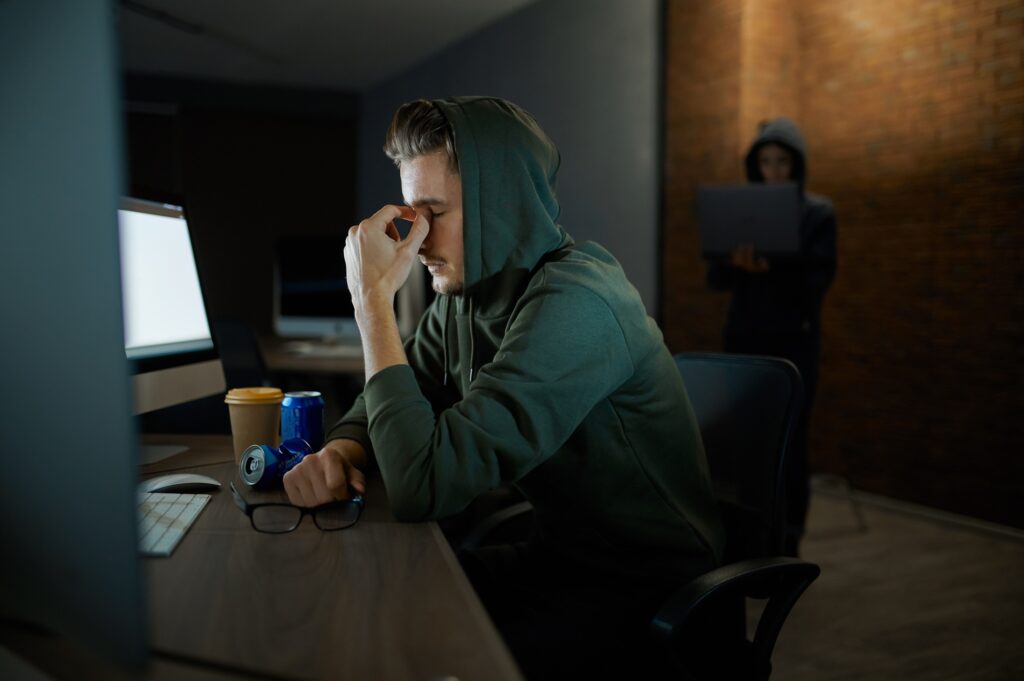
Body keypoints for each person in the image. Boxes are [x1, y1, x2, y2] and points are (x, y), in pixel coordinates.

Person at [282, 96, 724, 678]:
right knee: (380, 594)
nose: (417, 240)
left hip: (648, 590)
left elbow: (423, 485)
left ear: (504, 206)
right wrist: (344, 448)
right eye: (412, 215)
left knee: (422, 655)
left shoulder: (579, 303)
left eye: (435, 213)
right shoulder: (466, 297)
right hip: (559, 557)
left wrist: (372, 303)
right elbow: (399, 390)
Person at [707, 117, 837, 556]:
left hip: (793, 342)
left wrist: (773, 267)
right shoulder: (742, 210)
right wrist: (736, 263)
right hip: (744, 338)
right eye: (765, 161)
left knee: (791, 441)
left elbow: (818, 282)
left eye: (782, 161)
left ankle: (788, 541)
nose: (774, 170)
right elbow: (715, 278)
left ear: (797, 164)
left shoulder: (817, 213)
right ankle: (749, 538)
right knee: (745, 440)